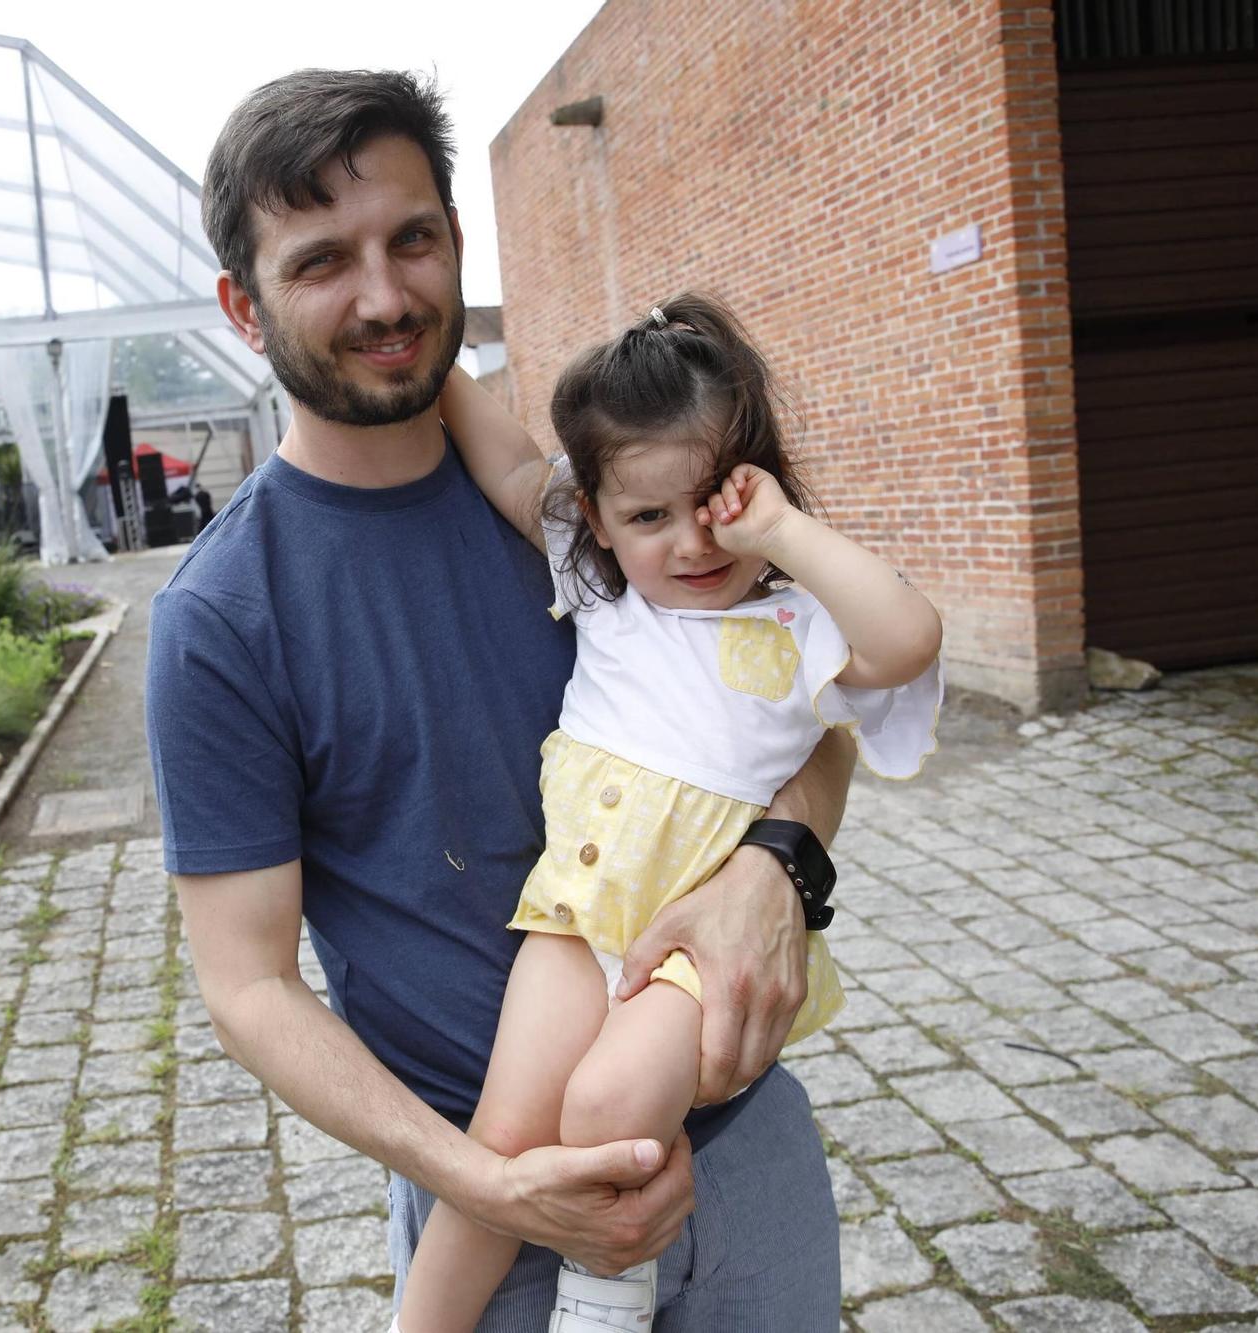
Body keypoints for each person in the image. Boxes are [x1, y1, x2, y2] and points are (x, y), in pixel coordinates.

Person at [145, 69, 855, 1330]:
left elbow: (807, 711)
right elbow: (246, 986)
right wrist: (496, 1183)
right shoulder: (223, 618)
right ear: (241, 310)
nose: (382, 294)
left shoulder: (598, 526)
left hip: (743, 1162)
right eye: (320, 261)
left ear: (455, 247)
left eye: (411, 238)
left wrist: (773, 869)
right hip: (496, 1217)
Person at [398, 301, 943, 1332]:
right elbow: (510, 464)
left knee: (604, 1106)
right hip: (574, 911)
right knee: (501, 1140)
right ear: (595, 518)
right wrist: (432, 365)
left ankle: (604, 1306)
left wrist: (779, 529)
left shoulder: (795, 622)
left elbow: (909, 638)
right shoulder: (602, 592)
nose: (690, 542)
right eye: (647, 517)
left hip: (694, 944)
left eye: (714, 504)